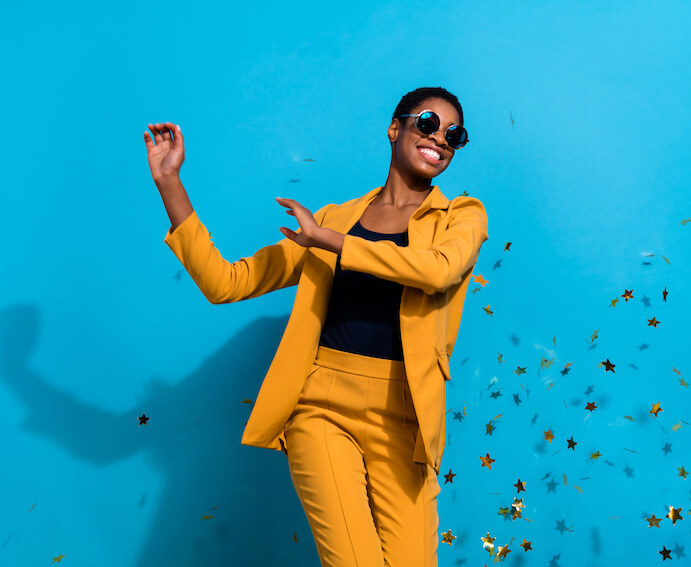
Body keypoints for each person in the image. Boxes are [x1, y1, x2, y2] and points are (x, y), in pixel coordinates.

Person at [143, 86, 488, 567]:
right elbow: (226, 282)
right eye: (428, 123)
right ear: (395, 128)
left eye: (455, 134)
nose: (441, 139)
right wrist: (170, 184)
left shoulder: (461, 216)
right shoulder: (333, 218)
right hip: (323, 410)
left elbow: (437, 271)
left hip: (406, 419)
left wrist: (330, 242)